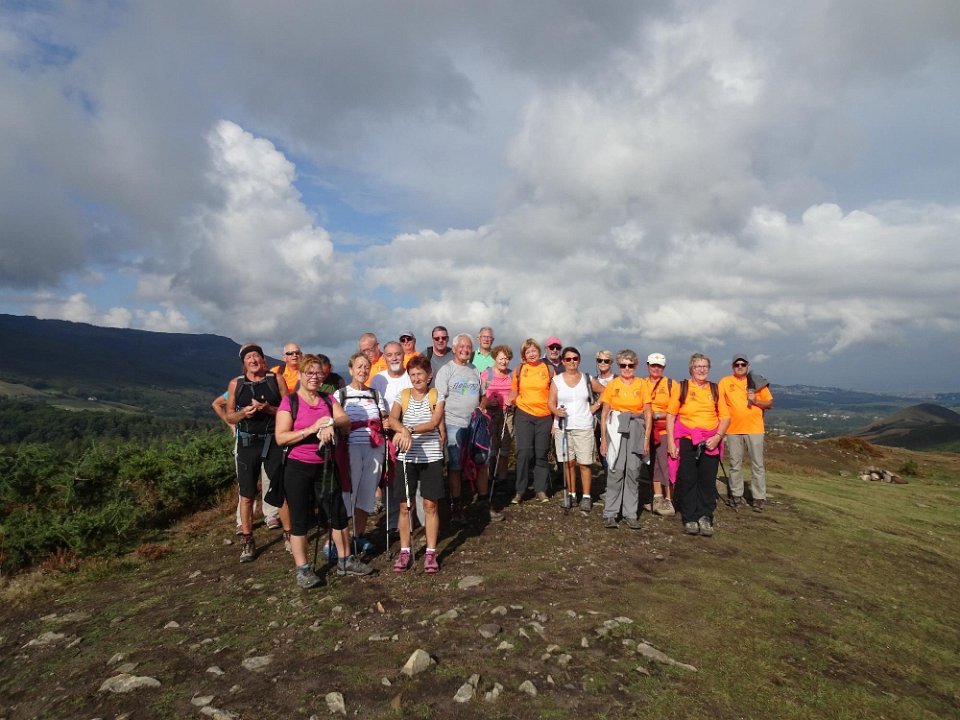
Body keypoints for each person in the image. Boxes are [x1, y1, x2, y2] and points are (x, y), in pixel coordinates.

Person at [274, 354, 369, 587]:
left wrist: (329, 423)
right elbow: (281, 437)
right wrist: (312, 429)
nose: (314, 377)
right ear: (300, 374)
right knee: (299, 518)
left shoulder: (328, 399)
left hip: (325, 465)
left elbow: (344, 419)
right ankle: (303, 569)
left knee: (337, 513)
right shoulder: (290, 402)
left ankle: (345, 559)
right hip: (297, 467)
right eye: (309, 373)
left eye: (318, 373)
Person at [224, 344, 289, 562]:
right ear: (244, 363)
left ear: (263, 360)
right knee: (246, 495)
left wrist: (267, 409)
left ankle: (289, 535)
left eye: (256, 356)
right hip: (247, 443)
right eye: (249, 357)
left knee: (280, 490)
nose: (253, 360)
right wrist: (243, 413)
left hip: (273, 440)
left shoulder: (276, 380)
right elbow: (229, 416)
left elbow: (289, 410)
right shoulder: (236, 384)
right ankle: (247, 540)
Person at [434, 333, 503, 523]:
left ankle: (483, 503)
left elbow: (483, 395)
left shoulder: (474, 370)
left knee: (482, 463)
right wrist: (441, 427)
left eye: (468, 347)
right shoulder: (446, 370)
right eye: (462, 346)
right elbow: (438, 401)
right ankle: (456, 508)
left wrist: (482, 407)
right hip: (453, 424)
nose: (465, 349)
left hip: (475, 426)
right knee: (455, 466)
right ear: (454, 349)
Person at [389, 355, 446, 574]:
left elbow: (434, 422)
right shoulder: (402, 395)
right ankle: (405, 551)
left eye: (420, 374)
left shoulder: (436, 395)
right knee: (405, 506)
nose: (416, 378)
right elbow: (392, 419)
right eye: (412, 374)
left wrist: (408, 430)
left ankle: (431, 552)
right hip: (406, 457)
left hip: (431, 456)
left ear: (429, 375)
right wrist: (403, 430)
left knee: (430, 505)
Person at [666, 353, 731, 537]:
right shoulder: (682, 387)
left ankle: (705, 516)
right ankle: (690, 517)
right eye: (697, 366)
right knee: (688, 479)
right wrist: (670, 441)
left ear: (709, 369)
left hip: (711, 440)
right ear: (691, 369)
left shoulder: (715, 389)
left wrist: (718, 437)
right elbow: (671, 415)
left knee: (707, 480)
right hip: (687, 439)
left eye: (705, 366)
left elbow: (725, 417)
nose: (701, 370)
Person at [338, 352, 391, 555]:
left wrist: (385, 422)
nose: (363, 370)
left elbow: (383, 417)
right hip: (350, 447)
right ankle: (342, 539)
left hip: (374, 447)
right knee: (349, 493)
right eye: (359, 367)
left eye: (366, 367)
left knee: (367, 492)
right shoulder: (341, 395)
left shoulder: (375, 395)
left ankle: (359, 535)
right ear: (351, 370)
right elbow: (335, 420)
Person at [598, 350, 651, 529]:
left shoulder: (642, 384)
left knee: (633, 471)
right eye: (623, 365)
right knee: (616, 469)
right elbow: (604, 414)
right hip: (616, 429)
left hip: (636, 428)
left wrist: (646, 439)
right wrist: (603, 439)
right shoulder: (612, 385)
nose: (627, 368)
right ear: (618, 366)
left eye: (630, 365)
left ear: (636, 365)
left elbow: (648, 413)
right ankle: (610, 513)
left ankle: (630, 514)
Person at [548, 346, 601, 513]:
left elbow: (606, 392)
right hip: (563, 427)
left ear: (579, 360)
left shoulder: (587, 379)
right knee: (568, 463)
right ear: (563, 361)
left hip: (584, 426)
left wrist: (596, 406)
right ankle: (571, 494)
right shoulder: (556, 380)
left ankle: (586, 496)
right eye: (568, 359)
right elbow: (551, 402)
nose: (572, 362)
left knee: (585, 463)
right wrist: (556, 411)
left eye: (575, 358)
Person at [719, 354, 774, 512]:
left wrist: (755, 400)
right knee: (735, 464)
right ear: (732, 366)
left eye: (743, 364)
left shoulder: (756, 382)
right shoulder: (725, 382)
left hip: (755, 429)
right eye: (737, 364)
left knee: (757, 464)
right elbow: (719, 402)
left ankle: (759, 497)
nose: (740, 367)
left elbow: (769, 403)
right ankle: (736, 495)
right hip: (733, 429)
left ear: (748, 366)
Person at [507, 338, 555, 504]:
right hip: (524, 414)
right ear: (524, 355)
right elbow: (514, 390)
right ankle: (520, 491)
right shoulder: (519, 370)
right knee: (524, 452)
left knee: (541, 453)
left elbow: (554, 393)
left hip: (544, 415)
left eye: (534, 350)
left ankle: (541, 490)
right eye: (528, 352)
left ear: (539, 352)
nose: (531, 354)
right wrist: (509, 399)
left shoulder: (548, 369)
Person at [641, 353, 678, 517]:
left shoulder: (671, 384)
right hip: (647, 430)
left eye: (659, 366)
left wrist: (655, 415)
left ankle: (669, 500)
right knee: (653, 464)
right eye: (653, 365)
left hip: (664, 430)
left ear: (664, 368)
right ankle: (657, 497)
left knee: (666, 465)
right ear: (647, 365)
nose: (656, 368)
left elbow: (674, 409)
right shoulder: (641, 383)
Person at [480, 344, 515, 485]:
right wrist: (488, 403)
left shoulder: (512, 375)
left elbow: (516, 392)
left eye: (507, 359)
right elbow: (480, 394)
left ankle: (502, 478)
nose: (504, 362)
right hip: (491, 414)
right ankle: (489, 478)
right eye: (501, 359)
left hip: (507, 414)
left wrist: (511, 400)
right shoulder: (487, 374)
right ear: (495, 358)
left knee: (505, 446)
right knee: (492, 447)